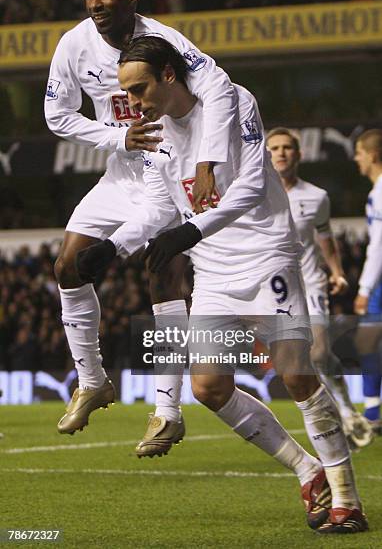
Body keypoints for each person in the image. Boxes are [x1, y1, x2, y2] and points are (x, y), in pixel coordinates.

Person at [79, 35, 368, 534]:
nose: (135, 103)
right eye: (127, 93)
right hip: (212, 270)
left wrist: (188, 231)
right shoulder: (152, 133)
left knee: (297, 375)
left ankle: (347, 498)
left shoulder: (233, 102)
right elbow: (158, 208)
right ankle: (307, 470)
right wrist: (115, 246)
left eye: (141, 89)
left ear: (169, 75)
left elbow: (252, 187)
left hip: (266, 257)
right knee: (209, 387)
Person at [44, 0, 238, 456]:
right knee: (67, 265)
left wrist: (207, 160)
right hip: (119, 171)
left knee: (162, 272)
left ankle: (168, 412)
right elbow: (57, 116)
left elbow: (216, 85)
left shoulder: (163, 39)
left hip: (166, 170)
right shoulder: (73, 44)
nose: (95, 5)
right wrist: (115, 136)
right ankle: (93, 382)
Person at [267, 127, 373, 449]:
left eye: (287, 147)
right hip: (272, 287)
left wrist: (338, 271)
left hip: (309, 282)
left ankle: (344, 408)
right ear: (265, 154)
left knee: (320, 351)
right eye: (275, 148)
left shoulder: (316, 197)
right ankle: (332, 418)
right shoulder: (254, 194)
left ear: (299, 154)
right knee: (295, 365)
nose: (281, 153)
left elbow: (325, 240)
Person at [353, 129, 382, 434]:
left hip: (379, 284)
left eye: (359, 152)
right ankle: (373, 411)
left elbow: (378, 245)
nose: (356, 158)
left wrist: (364, 288)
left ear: (372, 155)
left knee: (367, 341)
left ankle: (372, 412)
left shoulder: (380, 192)